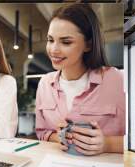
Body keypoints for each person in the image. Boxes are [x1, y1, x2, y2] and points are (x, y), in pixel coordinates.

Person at [35, 4, 125, 155]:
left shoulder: (118, 80)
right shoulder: (44, 83)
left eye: (66, 42)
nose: (53, 49)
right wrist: (62, 137)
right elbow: (43, 132)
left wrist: (107, 144)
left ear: (88, 44)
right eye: (50, 40)